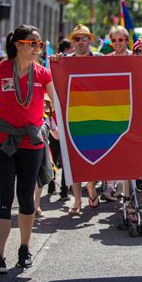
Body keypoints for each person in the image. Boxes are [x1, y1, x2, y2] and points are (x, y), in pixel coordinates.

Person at [0, 24, 55, 273]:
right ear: (19, 45)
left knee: (26, 197)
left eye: (40, 44)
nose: (38, 47)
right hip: (1, 142)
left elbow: (57, 102)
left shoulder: (44, 73)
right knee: (4, 198)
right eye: (33, 43)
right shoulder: (1, 69)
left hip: (31, 142)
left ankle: (25, 249)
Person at [64, 24, 102, 214]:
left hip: (97, 117)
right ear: (72, 42)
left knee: (94, 158)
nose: (80, 42)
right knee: (74, 161)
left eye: (83, 38)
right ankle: (77, 201)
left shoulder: (101, 60)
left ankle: (92, 187)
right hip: (74, 117)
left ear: (90, 41)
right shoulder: (63, 62)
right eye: (76, 39)